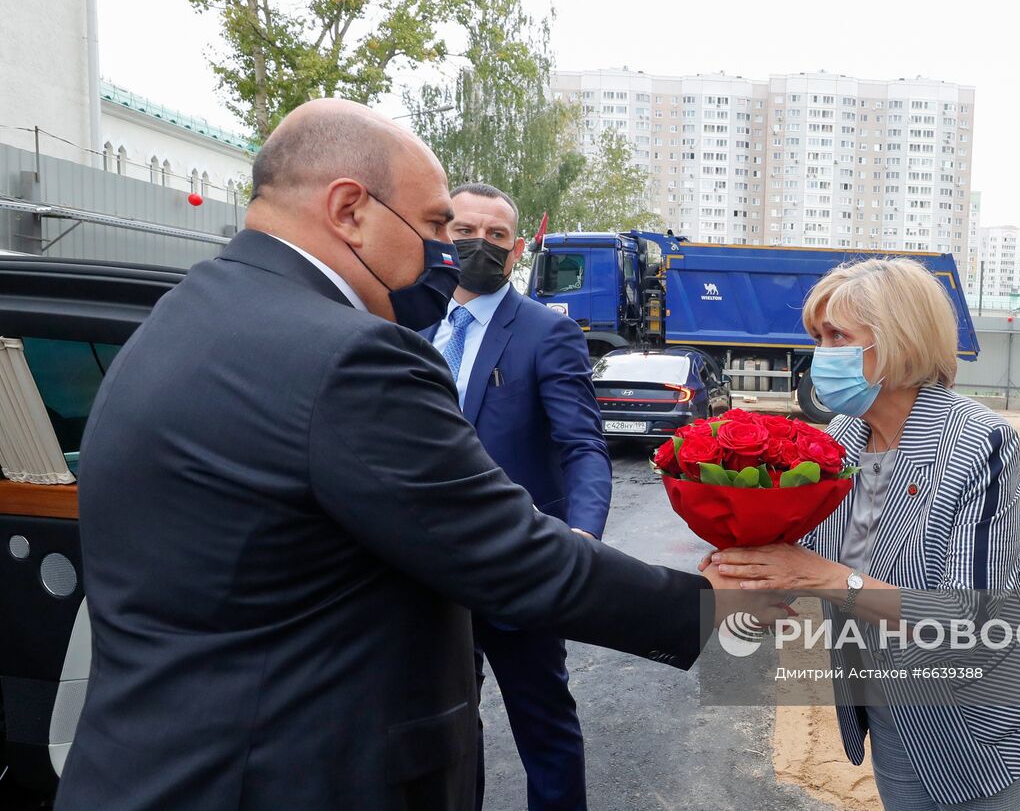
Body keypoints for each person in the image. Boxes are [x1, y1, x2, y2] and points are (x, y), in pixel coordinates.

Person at [53, 99, 770, 811]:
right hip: (281, 777)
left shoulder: (185, 315)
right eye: (434, 225)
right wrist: (758, 626)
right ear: (350, 210)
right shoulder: (346, 355)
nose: (448, 254)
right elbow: (515, 558)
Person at [708, 259, 1020, 810]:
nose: (822, 354)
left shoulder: (978, 441)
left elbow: (962, 616)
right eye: (818, 337)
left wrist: (822, 577)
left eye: (838, 336)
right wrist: (744, 569)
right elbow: (804, 556)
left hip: (978, 716)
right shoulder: (839, 439)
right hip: (890, 709)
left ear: (899, 340)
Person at [419, 182, 608, 811]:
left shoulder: (545, 334)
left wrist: (581, 542)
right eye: (466, 230)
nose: (481, 244)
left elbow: (583, 446)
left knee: (544, 722)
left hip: (519, 565)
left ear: (518, 247)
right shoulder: (412, 334)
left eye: (497, 235)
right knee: (445, 727)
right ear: (443, 234)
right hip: (426, 569)